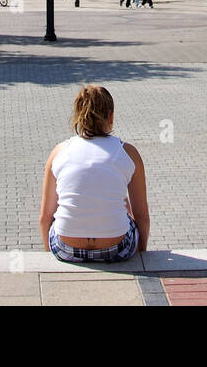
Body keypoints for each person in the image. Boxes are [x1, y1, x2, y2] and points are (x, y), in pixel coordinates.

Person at [40, 85, 149, 263]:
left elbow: (45, 217)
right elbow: (142, 216)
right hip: (117, 248)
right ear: (111, 116)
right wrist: (142, 253)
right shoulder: (129, 153)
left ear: (78, 116)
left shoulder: (59, 152)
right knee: (124, 203)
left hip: (66, 248)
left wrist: (48, 255)